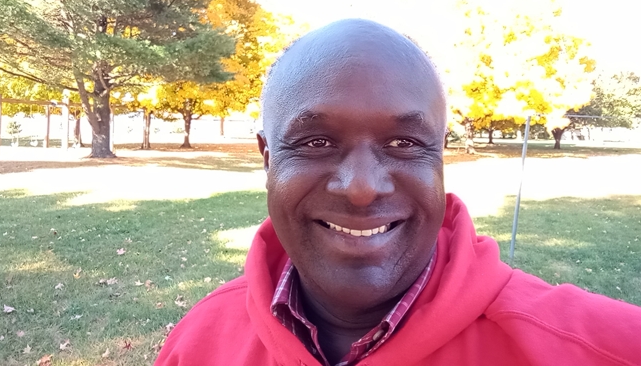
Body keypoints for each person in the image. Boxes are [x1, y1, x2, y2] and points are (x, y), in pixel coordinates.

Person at [155, 19, 641, 366]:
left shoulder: (602, 349)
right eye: (316, 142)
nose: (362, 188)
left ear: (439, 155)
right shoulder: (198, 344)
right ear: (268, 159)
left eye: (404, 143)